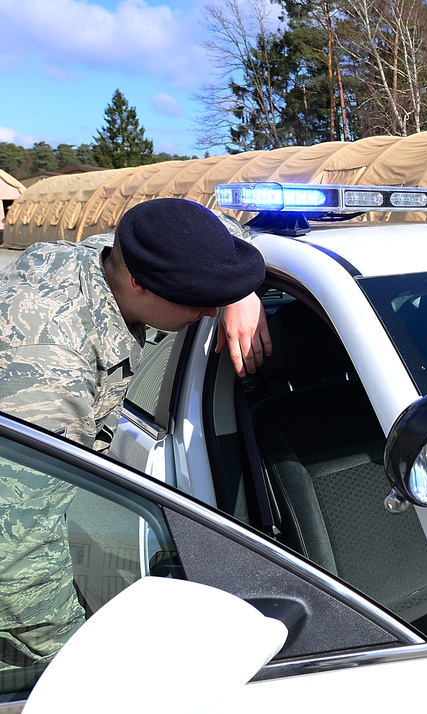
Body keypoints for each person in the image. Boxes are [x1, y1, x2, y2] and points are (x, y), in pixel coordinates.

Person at [0, 197, 269, 669]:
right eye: (197, 300)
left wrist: (236, 289)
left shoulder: (115, 255)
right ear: (139, 284)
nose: (209, 313)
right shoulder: (53, 375)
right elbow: (16, 563)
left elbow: (200, 229)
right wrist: (81, 667)